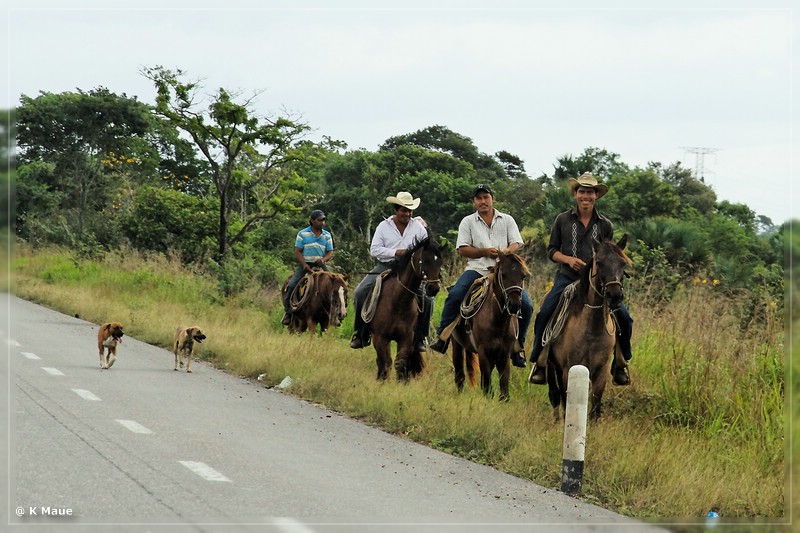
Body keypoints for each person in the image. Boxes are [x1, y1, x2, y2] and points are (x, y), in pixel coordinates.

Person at [527, 172, 633, 386]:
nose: (586, 195)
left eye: (591, 192)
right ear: (576, 194)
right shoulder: (562, 220)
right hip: (567, 277)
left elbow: (610, 254)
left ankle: (621, 363)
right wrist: (567, 259)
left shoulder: (605, 225)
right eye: (582, 191)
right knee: (545, 311)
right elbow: (552, 250)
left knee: (624, 317)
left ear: (596, 196)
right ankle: (540, 360)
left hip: (596, 282)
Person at [429, 184, 532, 368]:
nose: (483, 201)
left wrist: (505, 252)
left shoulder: (507, 219)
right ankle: (443, 336)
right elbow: (462, 249)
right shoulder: (468, 222)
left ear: (492, 198)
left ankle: (518, 347)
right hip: (477, 269)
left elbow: (517, 242)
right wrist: (484, 251)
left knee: (527, 305)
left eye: (486, 197)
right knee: (455, 295)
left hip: (503, 273)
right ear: (474, 202)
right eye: (479, 198)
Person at [349, 191, 432, 352]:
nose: (406, 214)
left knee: (427, 299)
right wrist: (395, 252)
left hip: (410, 269)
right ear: (396, 209)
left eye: (409, 210)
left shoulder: (418, 228)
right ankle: (361, 333)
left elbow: (426, 250)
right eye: (403, 210)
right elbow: (375, 249)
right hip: (386, 266)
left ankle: (421, 337)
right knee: (360, 292)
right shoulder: (384, 226)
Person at [282, 209, 334, 325]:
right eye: (320, 220)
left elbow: (330, 252)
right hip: (305, 264)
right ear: (312, 221)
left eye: (323, 220)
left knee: (335, 284)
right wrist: (304, 264)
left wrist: (323, 260)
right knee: (291, 284)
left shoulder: (327, 235)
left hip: (320, 264)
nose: (322, 223)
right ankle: (288, 313)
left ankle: (334, 313)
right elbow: (298, 251)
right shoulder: (302, 233)